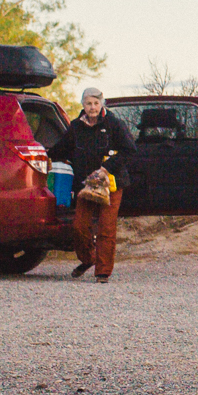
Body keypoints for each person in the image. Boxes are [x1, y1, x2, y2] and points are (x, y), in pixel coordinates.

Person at [47, 87, 135, 282]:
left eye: (96, 103)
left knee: (106, 227)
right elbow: (62, 148)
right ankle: (88, 259)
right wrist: (44, 156)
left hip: (111, 183)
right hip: (86, 185)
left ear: (102, 103)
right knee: (79, 226)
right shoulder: (76, 126)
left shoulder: (114, 124)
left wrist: (106, 168)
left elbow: (129, 150)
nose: (93, 107)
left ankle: (103, 272)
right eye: (89, 103)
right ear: (83, 105)